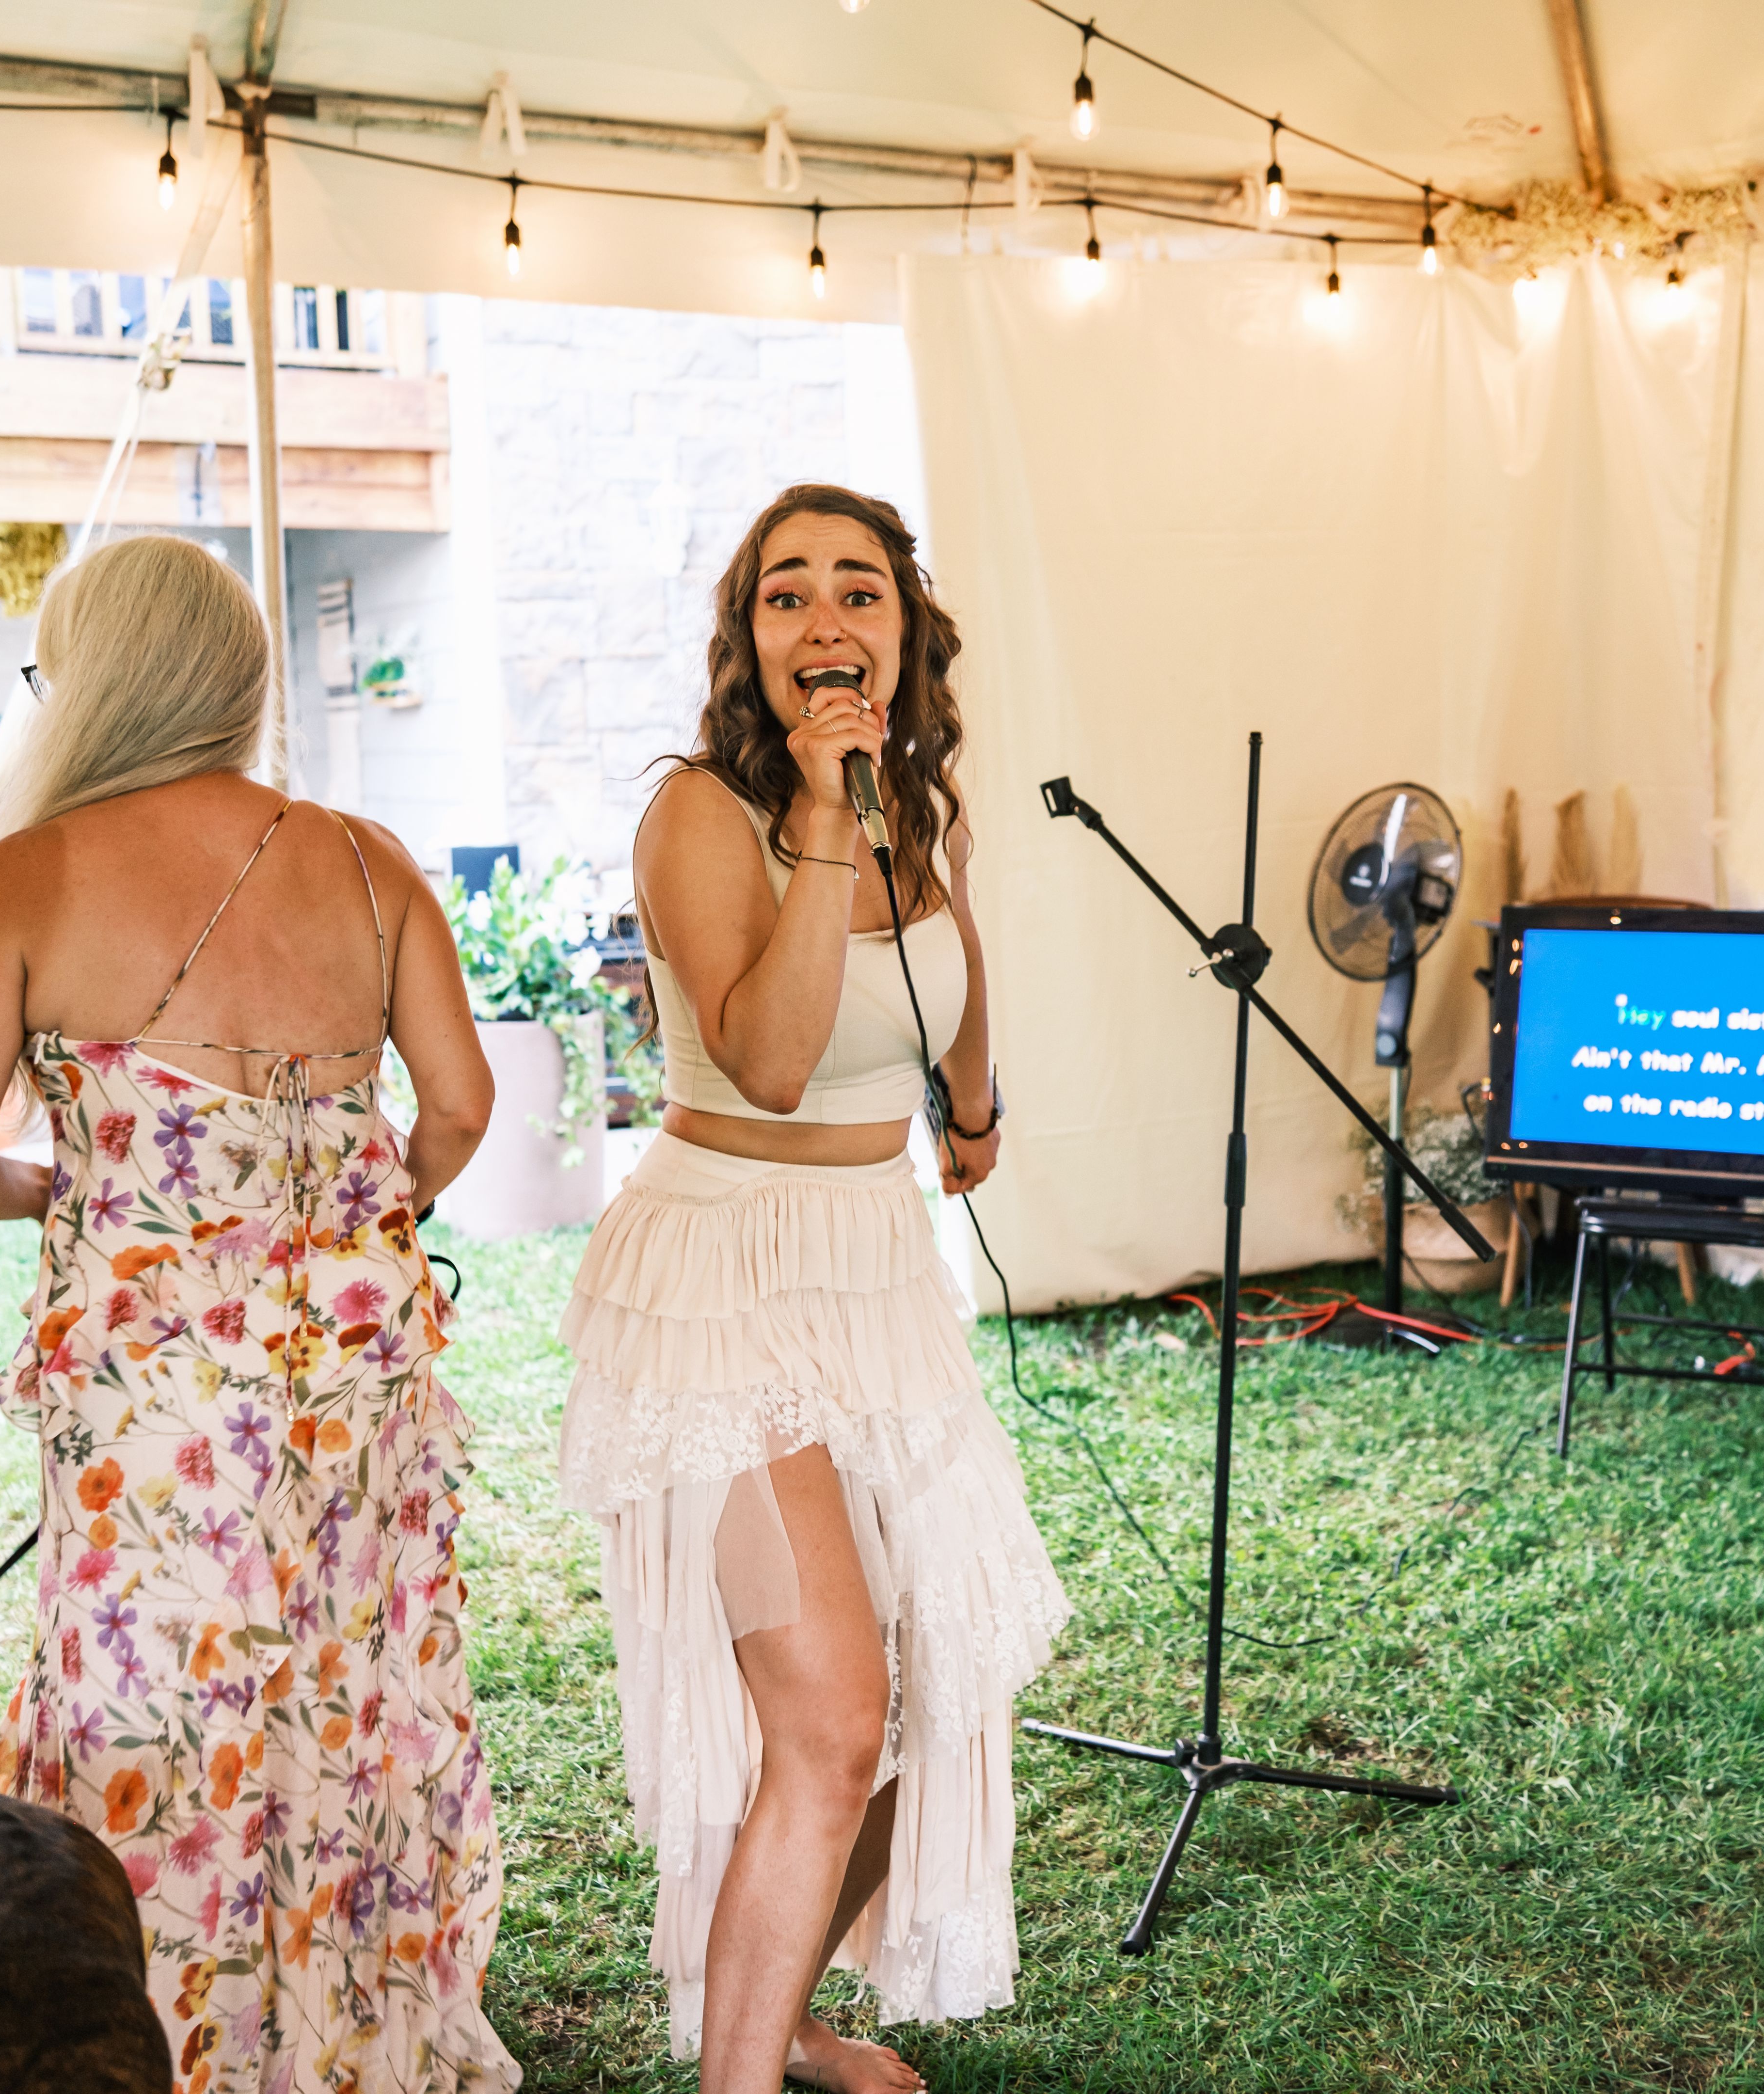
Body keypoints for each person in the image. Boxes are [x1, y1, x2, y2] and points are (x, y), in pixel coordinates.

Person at [0, 533, 520, 2094]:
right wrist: (365, 1221)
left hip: (158, 1405)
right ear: (233, 679)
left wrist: (68, 1196)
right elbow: (458, 1108)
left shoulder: (32, 876)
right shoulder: (372, 862)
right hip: (351, 1380)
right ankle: (351, 2029)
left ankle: (154, 2036)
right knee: (341, 1684)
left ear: (98, 680)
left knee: (157, 1702)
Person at [559, 485, 1071, 2094]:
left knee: (953, 1666)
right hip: (723, 1283)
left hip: (876, 1275)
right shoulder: (702, 815)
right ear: (750, 638)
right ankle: (741, 2081)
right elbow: (772, 1063)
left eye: (860, 591)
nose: (827, 621)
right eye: (789, 596)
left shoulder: (928, 809)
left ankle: (777, 2029)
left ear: (906, 631)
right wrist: (828, 818)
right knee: (837, 1715)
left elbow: (952, 973)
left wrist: (971, 1114)